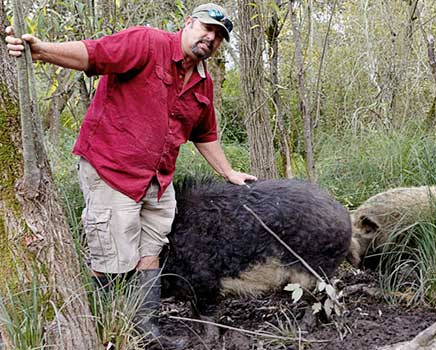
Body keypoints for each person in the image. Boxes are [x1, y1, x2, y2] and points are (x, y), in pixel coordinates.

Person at [6, 2, 256, 348]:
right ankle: (108, 333)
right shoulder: (146, 43)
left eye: (218, 36)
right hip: (112, 170)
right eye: (206, 28)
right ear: (188, 24)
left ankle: (146, 331)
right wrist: (42, 51)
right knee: (112, 255)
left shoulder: (203, 83)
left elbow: (205, 134)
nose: (210, 38)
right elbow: (93, 55)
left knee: (149, 251)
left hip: (158, 180)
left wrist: (229, 172)